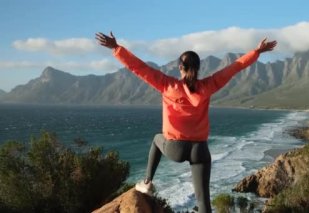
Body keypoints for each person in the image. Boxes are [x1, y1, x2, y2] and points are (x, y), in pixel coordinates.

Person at [96, 31, 277, 213]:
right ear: (198, 68)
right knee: (203, 200)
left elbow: (139, 68)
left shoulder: (167, 85)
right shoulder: (208, 85)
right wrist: (257, 52)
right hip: (200, 150)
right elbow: (235, 67)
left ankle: (147, 182)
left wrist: (116, 48)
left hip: (175, 148)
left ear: (180, 67)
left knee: (157, 139)